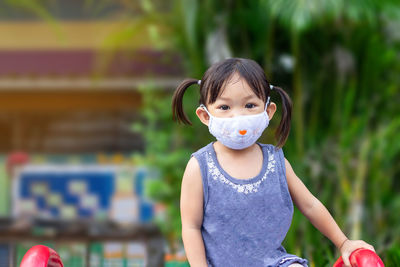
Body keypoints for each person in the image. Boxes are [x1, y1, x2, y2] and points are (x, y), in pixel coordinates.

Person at [172, 58, 375, 267]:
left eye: (250, 105)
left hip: (273, 262)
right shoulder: (200, 167)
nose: (238, 116)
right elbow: (191, 227)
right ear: (205, 115)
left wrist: (343, 242)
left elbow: (310, 205)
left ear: (268, 111)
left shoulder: (275, 161)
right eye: (224, 107)